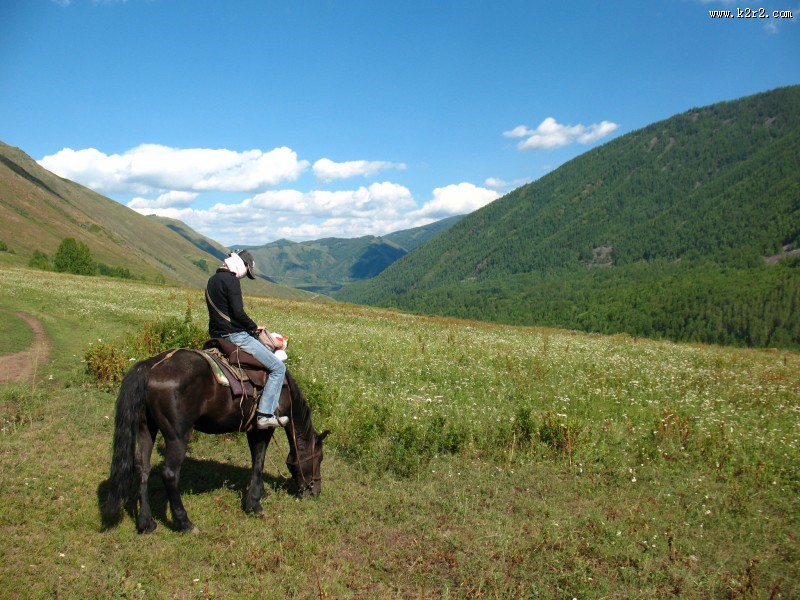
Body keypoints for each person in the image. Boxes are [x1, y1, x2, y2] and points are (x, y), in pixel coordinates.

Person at [205, 250, 288, 429]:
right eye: (245, 271)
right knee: (278, 368)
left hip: (217, 335)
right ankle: (265, 414)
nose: (243, 276)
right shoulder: (232, 281)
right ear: (240, 265)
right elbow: (237, 312)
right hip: (236, 336)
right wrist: (253, 327)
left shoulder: (212, 281)